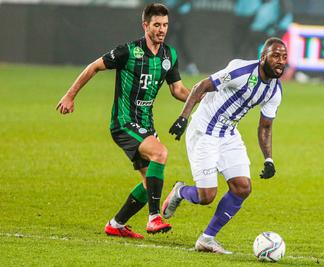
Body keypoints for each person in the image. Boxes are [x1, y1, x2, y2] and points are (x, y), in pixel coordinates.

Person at [56, 3, 190, 239]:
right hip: (123, 122)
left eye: (165, 25)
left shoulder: (169, 55)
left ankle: (116, 224)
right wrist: (70, 95)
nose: (161, 30)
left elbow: (177, 89)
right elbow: (93, 67)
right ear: (145, 25)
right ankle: (153, 218)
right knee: (160, 154)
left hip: (145, 125)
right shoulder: (128, 51)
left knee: (151, 183)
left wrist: (200, 98)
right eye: (157, 25)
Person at [162, 37, 288, 254]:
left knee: (242, 188)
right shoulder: (241, 70)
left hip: (228, 134)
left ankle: (207, 239)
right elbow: (201, 85)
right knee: (206, 196)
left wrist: (268, 158)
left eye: (284, 57)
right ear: (263, 58)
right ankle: (180, 192)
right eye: (275, 56)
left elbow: (265, 127)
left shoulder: (274, 91)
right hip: (204, 132)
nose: (280, 61)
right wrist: (183, 118)